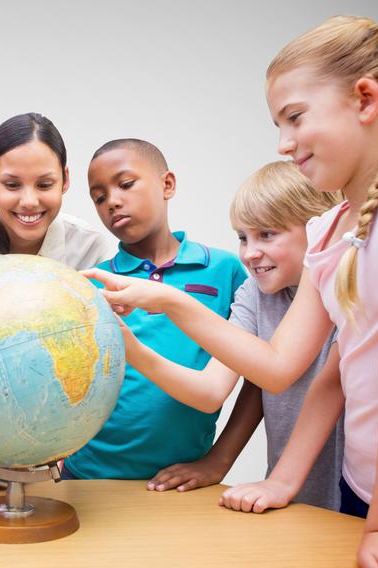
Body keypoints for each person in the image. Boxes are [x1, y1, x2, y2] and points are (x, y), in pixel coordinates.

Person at [85, 16, 378, 566]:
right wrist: (283, 481)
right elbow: (290, 368)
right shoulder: (329, 231)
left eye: (295, 118)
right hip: (364, 493)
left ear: (365, 99)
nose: (284, 143)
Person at [128, 161, 344, 510]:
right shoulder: (255, 296)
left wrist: (170, 302)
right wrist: (218, 461)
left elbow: (316, 383)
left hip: (360, 489)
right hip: (295, 492)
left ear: (318, 228)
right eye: (243, 237)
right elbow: (213, 390)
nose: (250, 253)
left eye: (267, 234)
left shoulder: (346, 290)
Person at [62, 138, 248, 480]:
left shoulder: (227, 271)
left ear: (167, 184)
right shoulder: (91, 285)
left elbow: (258, 376)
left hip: (182, 483)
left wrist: (219, 461)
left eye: (126, 184)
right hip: (86, 478)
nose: (113, 202)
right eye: (99, 197)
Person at [0, 112, 110, 269]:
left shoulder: (88, 249)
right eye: (12, 185)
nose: (29, 202)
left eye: (44, 184)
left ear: (65, 179)